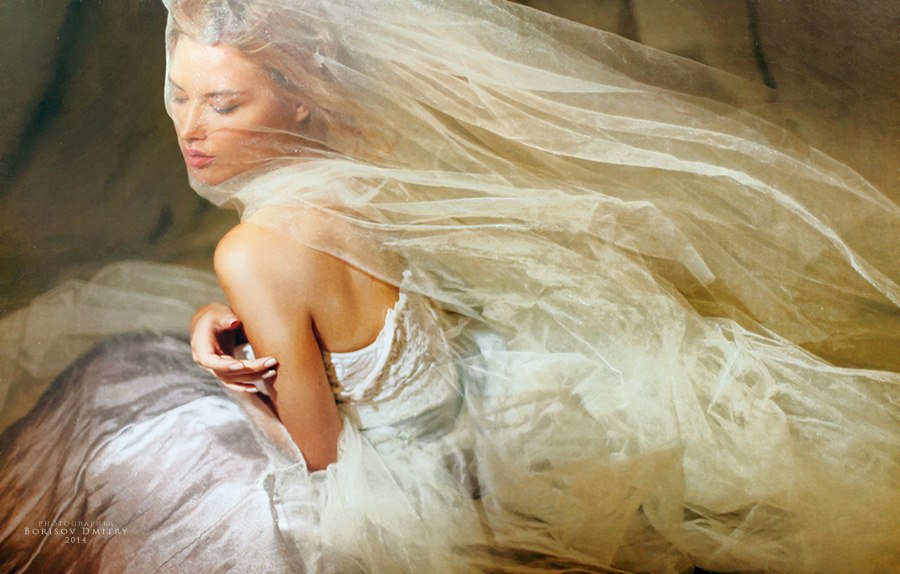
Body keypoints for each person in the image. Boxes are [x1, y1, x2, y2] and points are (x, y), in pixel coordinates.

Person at [1, 0, 897, 572]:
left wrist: (232, 371)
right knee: (126, 379)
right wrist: (221, 319)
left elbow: (318, 456)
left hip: (398, 485)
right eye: (182, 96)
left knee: (113, 417)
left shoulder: (255, 249)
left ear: (297, 95)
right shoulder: (361, 170)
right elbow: (352, 314)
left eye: (224, 104)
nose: (191, 129)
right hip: (475, 420)